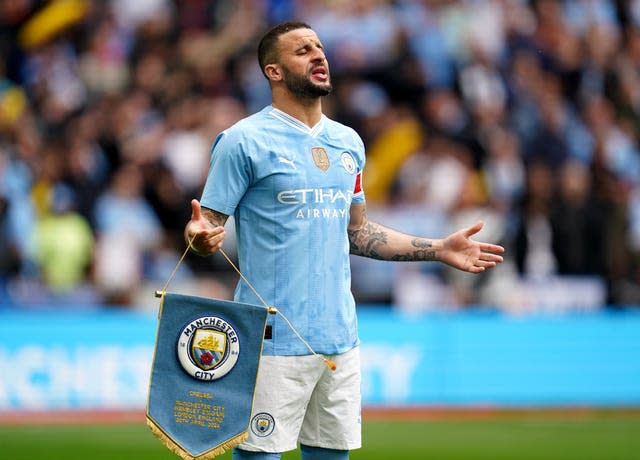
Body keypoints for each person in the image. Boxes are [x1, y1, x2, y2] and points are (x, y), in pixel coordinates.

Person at [184, 21, 505, 460]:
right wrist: (200, 236)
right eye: (302, 50)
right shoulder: (243, 141)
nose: (318, 55)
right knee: (259, 455)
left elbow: (357, 232)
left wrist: (438, 248)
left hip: (339, 337)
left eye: (319, 47)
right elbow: (207, 223)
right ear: (273, 71)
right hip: (272, 336)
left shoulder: (347, 142)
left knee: (332, 456)